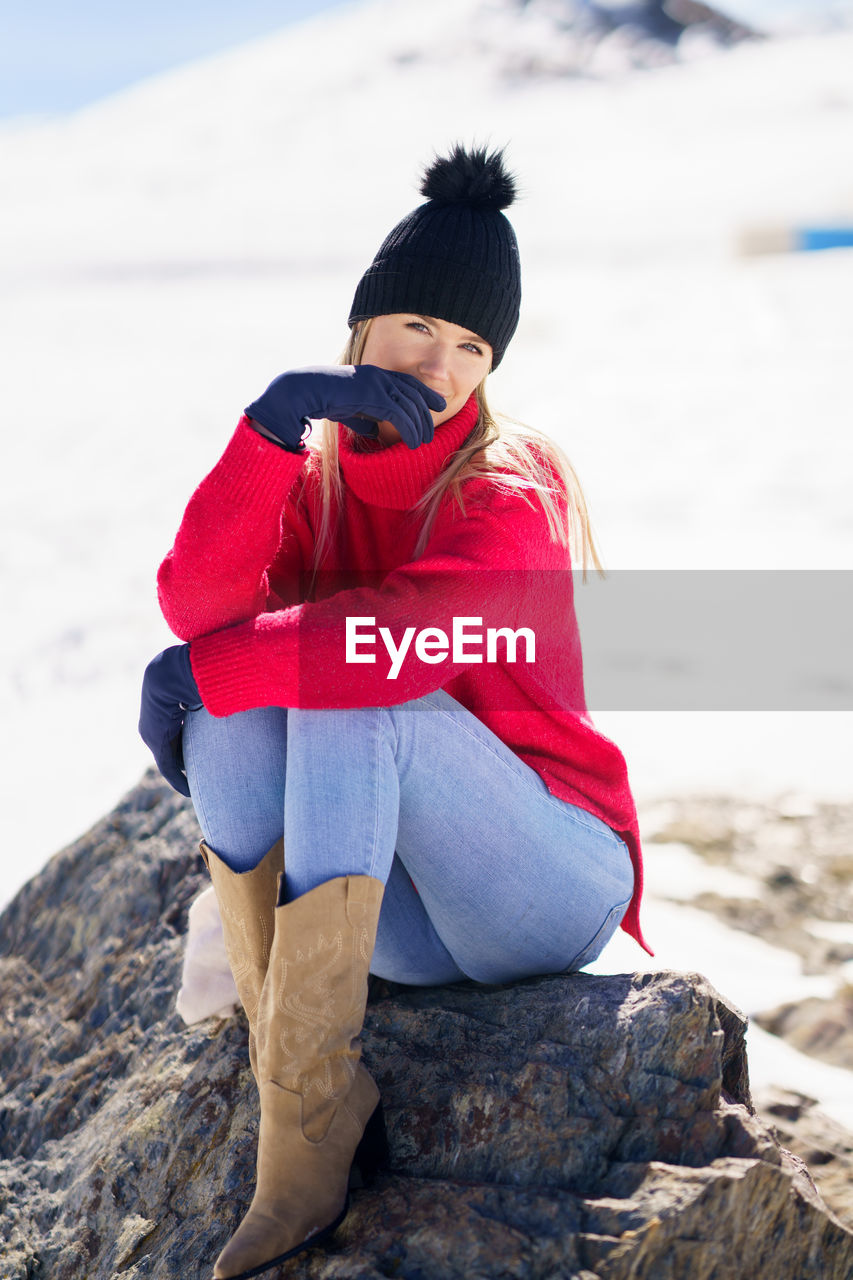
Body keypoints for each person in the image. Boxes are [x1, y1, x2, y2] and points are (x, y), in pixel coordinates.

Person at [139, 143, 649, 1280]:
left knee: (349, 683)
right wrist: (274, 425)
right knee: (237, 710)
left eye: (474, 347)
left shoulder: (510, 489)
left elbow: (387, 646)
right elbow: (198, 601)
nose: (442, 366)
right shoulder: (315, 480)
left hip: (546, 880)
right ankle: (309, 1078)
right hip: (402, 931)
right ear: (362, 329)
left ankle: (296, 1158)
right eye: (419, 326)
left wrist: (204, 665)